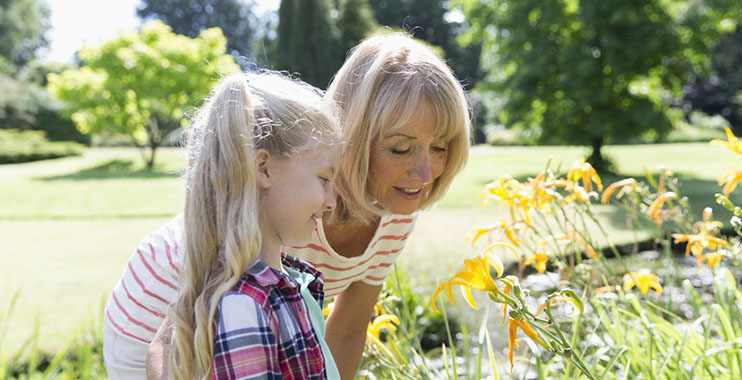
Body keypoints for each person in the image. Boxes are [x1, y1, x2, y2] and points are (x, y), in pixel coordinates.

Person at [105, 33, 471, 380]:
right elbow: (168, 341)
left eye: (440, 147)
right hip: (156, 328)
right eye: (401, 148)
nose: (425, 173)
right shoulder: (278, 207)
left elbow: (347, 330)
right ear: (354, 137)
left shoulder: (395, 203)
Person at [106, 71, 345, 379]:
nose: (332, 201)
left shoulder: (287, 284)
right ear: (263, 167)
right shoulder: (245, 307)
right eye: (324, 179)